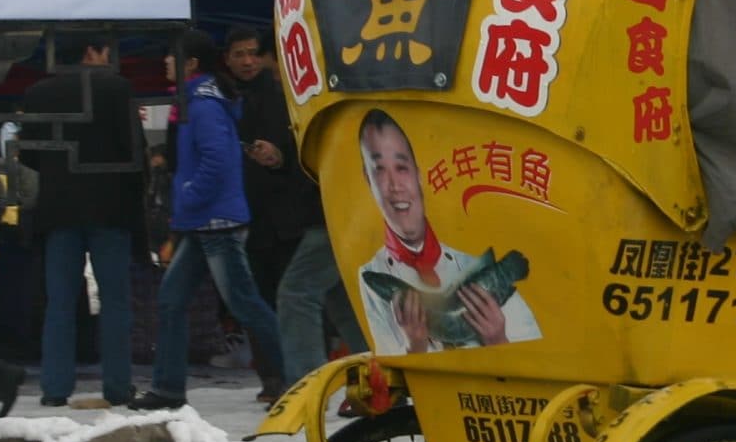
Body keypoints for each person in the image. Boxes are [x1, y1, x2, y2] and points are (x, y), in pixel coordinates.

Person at [133, 31, 288, 411]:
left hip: (216, 220)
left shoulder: (201, 104)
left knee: (245, 303)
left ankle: (295, 378)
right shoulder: (196, 101)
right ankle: (167, 388)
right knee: (172, 300)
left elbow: (217, 160)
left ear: (191, 64)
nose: (165, 64)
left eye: (171, 58)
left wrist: (187, 194)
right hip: (203, 221)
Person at [15, 32, 148, 410]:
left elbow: (29, 153)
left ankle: (55, 388)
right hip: (111, 209)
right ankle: (117, 386)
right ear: (93, 50)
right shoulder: (118, 88)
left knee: (59, 302)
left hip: (58, 208)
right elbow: (133, 150)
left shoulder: (39, 92)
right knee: (116, 301)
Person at [352, 108, 541, 354]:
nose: (395, 185)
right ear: (367, 178)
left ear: (418, 175)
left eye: (401, 168)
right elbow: (394, 380)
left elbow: (536, 358)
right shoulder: (371, 275)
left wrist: (498, 339)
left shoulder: (480, 267)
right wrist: (415, 347)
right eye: (379, 170)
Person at [226, 26, 309, 402]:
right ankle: (275, 378)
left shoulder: (279, 98)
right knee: (263, 298)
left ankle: (294, 377)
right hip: (253, 216)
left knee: (287, 298)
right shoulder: (231, 98)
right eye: (239, 54)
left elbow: (293, 154)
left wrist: (277, 159)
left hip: (285, 217)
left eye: (253, 53)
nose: (248, 61)